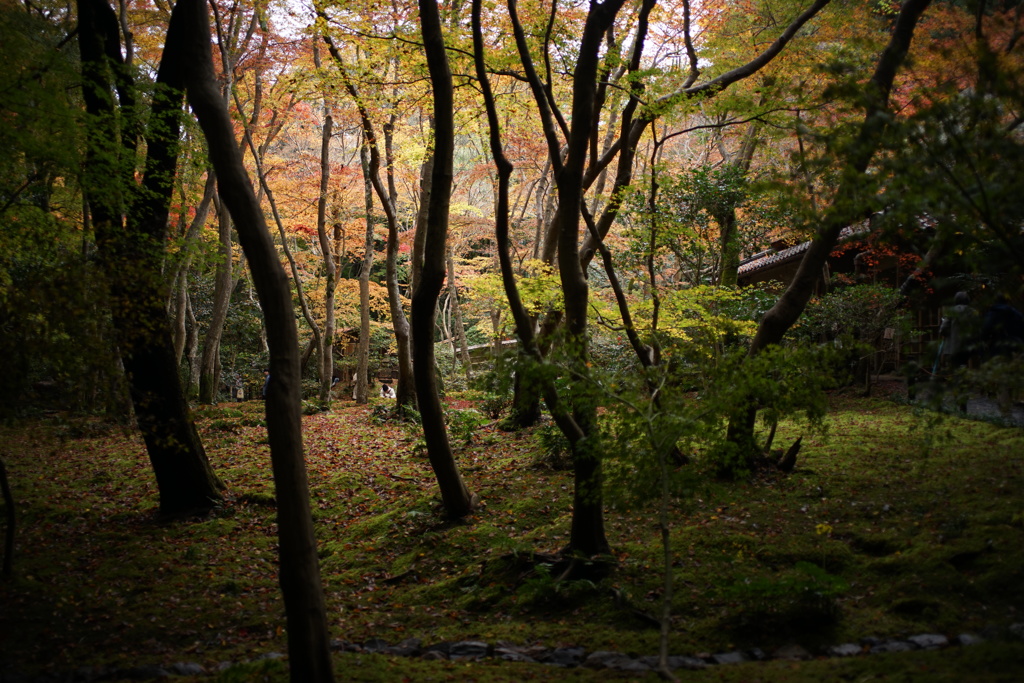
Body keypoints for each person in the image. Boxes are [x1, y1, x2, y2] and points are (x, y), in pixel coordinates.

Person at [938, 291, 978, 369]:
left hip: (953, 346)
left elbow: (943, 328)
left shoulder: (951, 311)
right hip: (968, 345)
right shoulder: (972, 312)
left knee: (954, 366)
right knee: (964, 363)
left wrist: (947, 334)